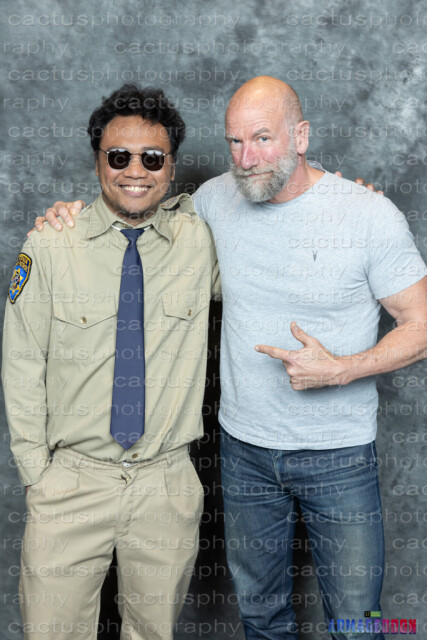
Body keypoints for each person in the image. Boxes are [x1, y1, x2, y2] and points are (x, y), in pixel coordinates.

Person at [34, 76, 427, 640]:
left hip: (338, 457)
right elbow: (137, 208)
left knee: (356, 622)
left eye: (263, 139)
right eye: (235, 142)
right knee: (261, 617)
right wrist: (68, 217)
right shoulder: (216, 200)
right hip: (245, 455)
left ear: (301, 137)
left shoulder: (368, 215)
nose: (246, 159)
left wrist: (343, 369)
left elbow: (421, 323)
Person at [2, 84, 220, 640]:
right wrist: (38, 476)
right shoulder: (51, 245)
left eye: (153, 158)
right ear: (98, 161)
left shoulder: (201, 240)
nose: (135, 171)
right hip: (72, 483)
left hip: (165, 483)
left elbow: (273, 217)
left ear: (172, 168)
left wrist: (341, 196)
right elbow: (21, 364)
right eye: (119, 156)